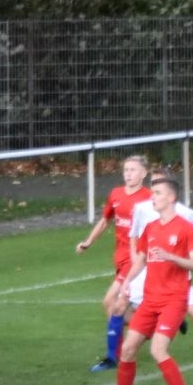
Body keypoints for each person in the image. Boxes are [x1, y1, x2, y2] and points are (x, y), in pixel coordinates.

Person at [111, 178, 193, 385]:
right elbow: (141, 259)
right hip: (150, 299)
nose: (153, 197)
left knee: (157, 350)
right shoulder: (151, 227)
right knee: (128, 349)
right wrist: (127, 281)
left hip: (174, 299)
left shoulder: (185, 228)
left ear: (171, 197)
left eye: (158, 193)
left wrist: (172, 257)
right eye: (152, 193)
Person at [125, 168, 193, 346]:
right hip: (150, 271)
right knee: (119, 306)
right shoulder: (142, 208)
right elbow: (134, 234)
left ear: (170, 192)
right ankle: (115, 355)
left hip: (177, 278)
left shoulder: (184, 214)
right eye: (152, 185)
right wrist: (133, 260)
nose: (154, 192)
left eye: (158, 187)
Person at [76, 155, 152, 372]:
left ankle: (113, 357)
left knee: (110, 301)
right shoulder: (116, 194)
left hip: (136, 259)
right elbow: (105, 220)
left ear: (143, 173)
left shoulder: (149, 198)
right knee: (114, 308)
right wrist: (88, 242)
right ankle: (151, 325)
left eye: (133, 170)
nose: (128, 174)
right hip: (119, 258)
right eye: (126, 170)